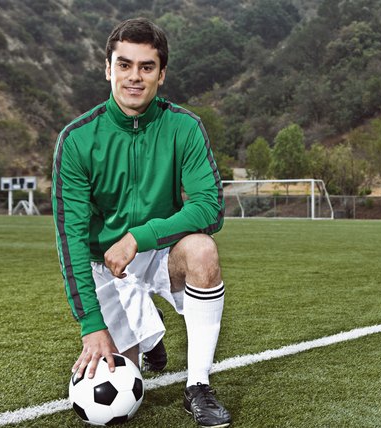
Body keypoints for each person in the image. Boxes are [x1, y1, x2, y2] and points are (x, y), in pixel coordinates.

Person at [52, 17, 231, 428]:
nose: (135, 77)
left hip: (160, 253)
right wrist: (91, 326)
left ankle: (198, 386)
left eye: (146, 67)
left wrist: (140, 236)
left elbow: (210, 207)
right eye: (125, 65)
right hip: (106, 264)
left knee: (203, 249)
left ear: (161, 74)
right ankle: (151, 339)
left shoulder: (184, 127)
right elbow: (71, 239)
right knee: (120, 373)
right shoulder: (78, 139)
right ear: (108, 68)